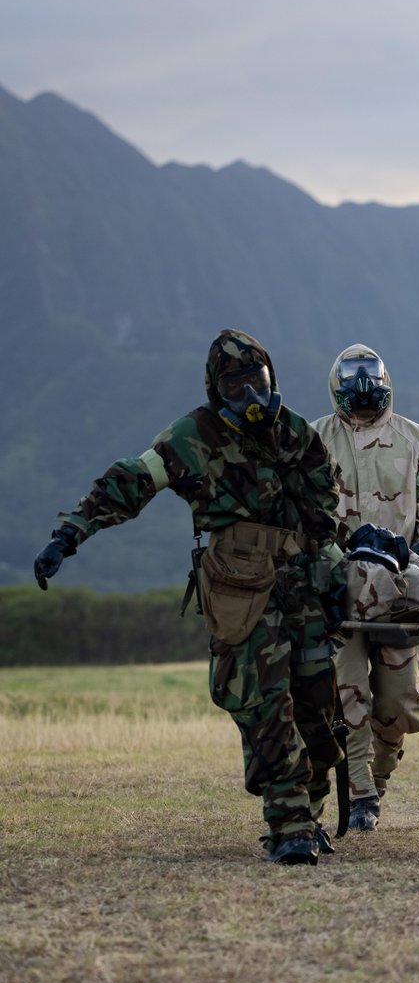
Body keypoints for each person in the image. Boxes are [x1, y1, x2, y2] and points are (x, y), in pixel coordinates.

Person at [34, 329, 347, 867]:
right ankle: (289, 820)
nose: (250, 398)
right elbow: (131, 480)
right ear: (215, 390)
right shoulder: (190, 437)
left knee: (319, 706)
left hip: (302, 581)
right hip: (239, 584)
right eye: (236, 388)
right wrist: (71, 533)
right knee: (264, 699)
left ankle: (309, 812)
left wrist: (338, 573)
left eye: (258, 383)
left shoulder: (295, 431)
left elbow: (325, 512)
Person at [313, 345, 419, 830]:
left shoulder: (415, 438)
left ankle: (379, 776)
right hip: (338, 592)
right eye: (353, 380)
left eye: (371, 378)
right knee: (347, 698)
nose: (364, 388)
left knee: (397, 705)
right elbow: (300, 512)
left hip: (400, 594)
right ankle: (360, 797)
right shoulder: (314, 439)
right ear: (336, 386)